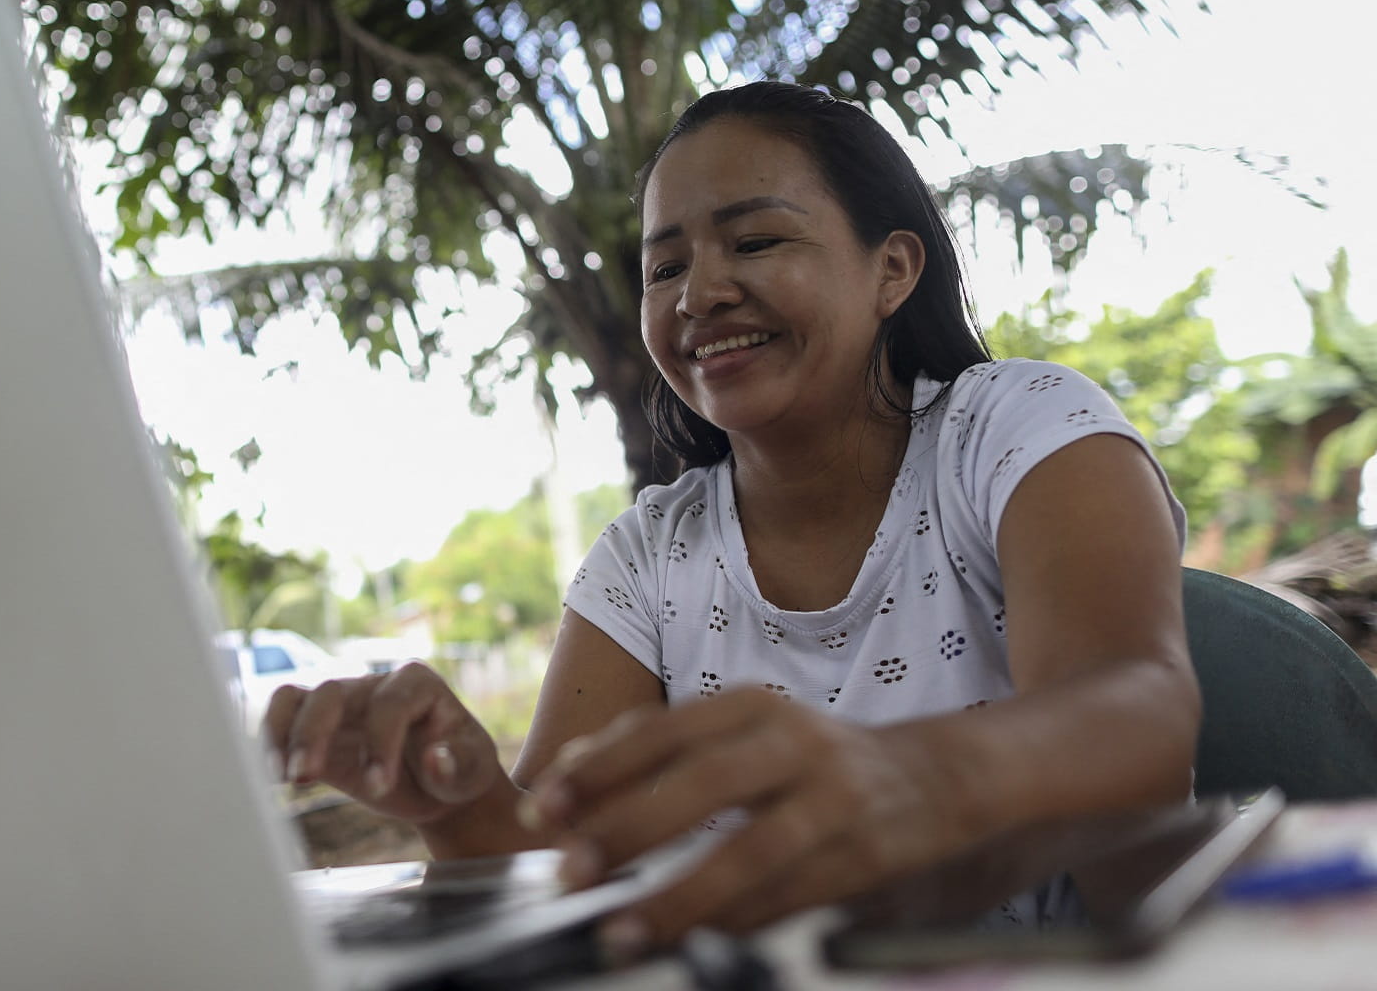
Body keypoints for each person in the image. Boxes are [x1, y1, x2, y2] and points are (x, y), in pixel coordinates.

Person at [263, 82, 1200, 960]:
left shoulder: (1016, 429)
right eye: (663, 266)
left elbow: (1142, 713)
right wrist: (458, 805)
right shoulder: (648, 555)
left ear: (892, 269)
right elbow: (552, 870)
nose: (698, 294)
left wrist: (923, 777)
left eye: (753, 243)